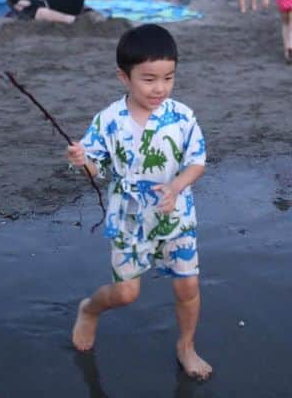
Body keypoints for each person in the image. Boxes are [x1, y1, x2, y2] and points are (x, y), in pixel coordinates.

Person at [66, 24, 212, 381]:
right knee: (125, 293)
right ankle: (89, 310)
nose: (159, 88)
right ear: (124, 77)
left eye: (168, 77)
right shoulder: (108, 120)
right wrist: (81, 160)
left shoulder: (182, 116)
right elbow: (94, 170)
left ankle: (186, 346)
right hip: (129, 221)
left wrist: (176, 186)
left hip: (176, 216)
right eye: (148, 79)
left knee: (188, 287)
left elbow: (197, 161)